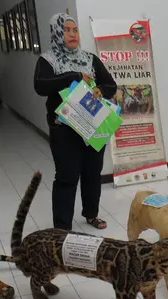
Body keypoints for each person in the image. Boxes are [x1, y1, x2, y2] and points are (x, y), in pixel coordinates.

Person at [34, 13, 117, 231]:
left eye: (75, 30)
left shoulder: (89, 59)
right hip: (64, 129)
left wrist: (101, 90)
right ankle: (62, 227)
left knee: (92, 173)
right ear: (56, 33)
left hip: (91, 127)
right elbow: (41, 86)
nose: (72, 34)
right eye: (66, 30)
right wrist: (73, 76)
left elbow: (111, 85)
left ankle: (91, 214)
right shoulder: (48, 60)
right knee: (67, 176)